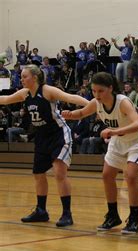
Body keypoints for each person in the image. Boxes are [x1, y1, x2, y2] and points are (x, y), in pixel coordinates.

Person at [62, 72, 138, 234]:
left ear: (111, 88)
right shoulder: (96, 103)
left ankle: (134, 219)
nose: (96, 95)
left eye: (100, 91)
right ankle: (112, 215)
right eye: (94, 91)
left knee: (131, 176)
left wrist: (113, 131)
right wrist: (69, 115)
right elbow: (82, 113)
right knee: (107, 175)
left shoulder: (122, 102)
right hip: (119, 140)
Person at [0, 64, 89, 226]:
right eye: (21, 76)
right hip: (42, 136)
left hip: (59, 134)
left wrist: (93, 104)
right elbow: (4, 100)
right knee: (38, 173)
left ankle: (66, 214)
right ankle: (41, 210)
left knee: (59, 172)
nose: (21, 79)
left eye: (24, 76)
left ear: (35, 77)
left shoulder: (47, 90)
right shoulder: (25, 94)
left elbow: (71, 98)